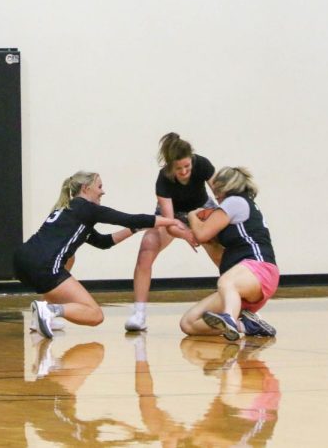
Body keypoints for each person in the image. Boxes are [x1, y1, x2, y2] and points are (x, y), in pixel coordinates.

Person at [15, 171, 184, 339]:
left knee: (70, 257)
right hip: (43, 266)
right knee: (95, 315)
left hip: (21, 262)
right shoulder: (86, 208)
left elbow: (103, 242)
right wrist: (172, 221)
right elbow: (130, 218)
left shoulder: (70, 210)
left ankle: (42, 314)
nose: (103, 191)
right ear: (86, 188)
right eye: (100, 186)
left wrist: (134, 229)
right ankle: (50, 310)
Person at [125, 133, 218, 332]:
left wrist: (210, 228)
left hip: (201, 210)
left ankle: (242, 308)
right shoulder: (163, 179)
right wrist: (187, 235)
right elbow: (169, 222)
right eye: (179, 169)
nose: (184, 171)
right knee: (147, 246)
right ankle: (139, 314)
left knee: (224, 252)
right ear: (170, 167)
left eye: (187, 167)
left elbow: (221, 195)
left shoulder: (202, 164)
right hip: (173, 217)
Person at [179, 166, 279, 341]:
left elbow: (202, 233)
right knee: (189, 322)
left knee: (225, 281)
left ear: (227, 187)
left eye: (217, 189)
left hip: (260, 270)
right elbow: (219, 257)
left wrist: (192, 216)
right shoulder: (233, 222)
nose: (215, 195)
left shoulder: (235, 201)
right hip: (241, 286)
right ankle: (246, 325)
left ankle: (229, 318)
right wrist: (205, 242)